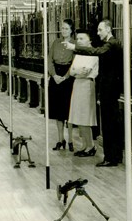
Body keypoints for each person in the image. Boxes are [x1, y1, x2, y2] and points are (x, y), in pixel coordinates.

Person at [64, 19, 122, 167]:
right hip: (107, 89)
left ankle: (111, 157)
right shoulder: (109, 44)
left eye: (100, 30)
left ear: (108, 29)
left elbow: (97, 52)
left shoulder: (112, 43)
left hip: (110, 90)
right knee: (109, 124)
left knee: (109, 124)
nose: (98, 33)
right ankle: (113, 156)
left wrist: (74, 47)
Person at [67, 29, 99, 158]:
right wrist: (77, 71)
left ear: (89, 40)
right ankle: (85, 145)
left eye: (81, 39)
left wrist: (77, 71)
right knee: (78, 117)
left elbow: (85, 72)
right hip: (78, 84)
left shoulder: (93, 54)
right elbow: (72, 72)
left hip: (86, 85)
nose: (78, 41)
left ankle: (91, 146)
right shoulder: (79, 54)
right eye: (77, 39)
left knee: (85, 117)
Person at [48, 19, 76, 151]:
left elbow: (74, 63)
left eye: (66, 28)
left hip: (68, 78)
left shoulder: (75, 44)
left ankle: (70, 139)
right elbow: (50, 60)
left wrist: (65, 77)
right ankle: (60, 139)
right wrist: (54, 75)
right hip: (55, 77)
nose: (63, 30)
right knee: (57, 110)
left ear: (71, 30)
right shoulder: (55, 42)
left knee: (68, 110)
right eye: (62, 28)